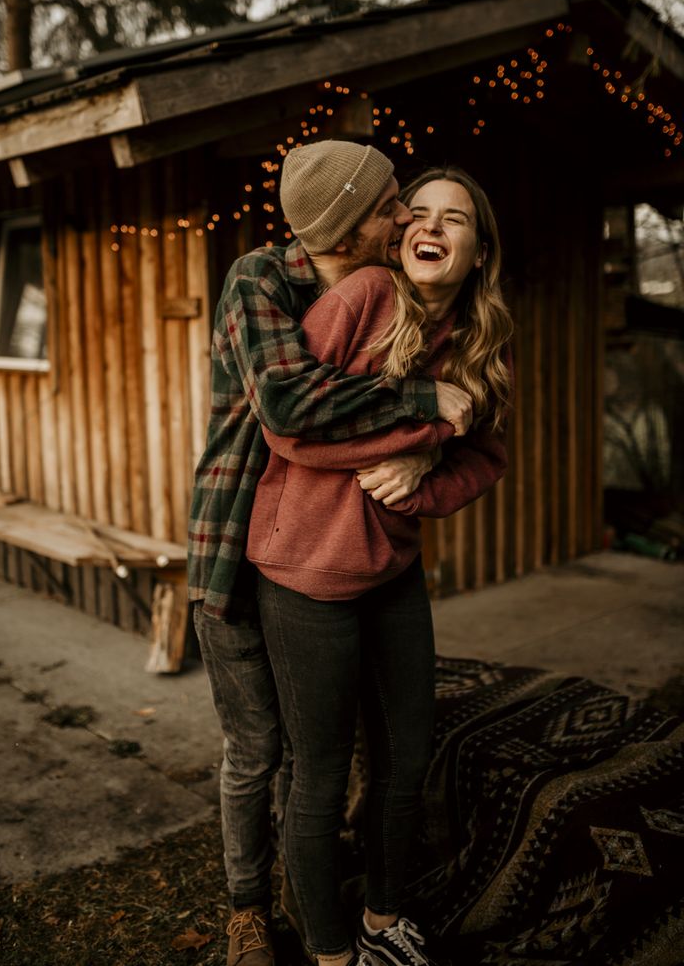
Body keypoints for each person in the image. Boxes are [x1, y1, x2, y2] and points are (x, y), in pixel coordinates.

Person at [188, 141, 474, 966]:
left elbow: (473, 416)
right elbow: (288, 404)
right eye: (392, 204)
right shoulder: (262, 278)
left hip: (324, 542)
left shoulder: (380, 286)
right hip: (236, 545)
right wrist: (424, 403)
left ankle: (305, 888)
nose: (406, 216)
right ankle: (249, 906)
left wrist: (426, 455)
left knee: (315, 755)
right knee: (259, 748)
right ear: (351, 223)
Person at [246, 166, 513, 966]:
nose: (430, 225)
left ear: (477, 247)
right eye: (418, 212)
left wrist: (427, 480)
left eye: (454, 218)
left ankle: (381, 918)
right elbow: (287, 427)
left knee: (406, 757)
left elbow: (490, 456)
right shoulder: (363, 296)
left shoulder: (479, 335)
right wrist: (418, 432)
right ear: (399, 237)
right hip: (304, 576)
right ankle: (330, 950)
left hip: (392, 572)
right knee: (321, 774)